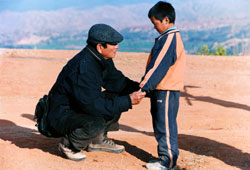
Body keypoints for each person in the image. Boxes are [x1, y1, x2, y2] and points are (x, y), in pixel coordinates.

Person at [46, 23, 146, 161]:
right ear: (100, 47)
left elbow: (118, 83)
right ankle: (69, 145)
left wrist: (146, 90)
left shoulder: (100, 58)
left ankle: (97, 141)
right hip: (60, 115)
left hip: (79, 105)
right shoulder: (84, 68)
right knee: (96, 122)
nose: (117, 46)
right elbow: (93, 106)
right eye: (113, 43)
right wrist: (128, 100)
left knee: (119, 93)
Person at [139, 1, 186, 170]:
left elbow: (159, 66)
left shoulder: (170, 38)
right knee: (160, 123)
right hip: (161, 88)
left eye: (155, 23)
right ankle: (164, 158)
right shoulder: (166, 37)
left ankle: (168, 161)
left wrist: (143, 87)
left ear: (166, 20)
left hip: (167, 89)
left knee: (165, 124)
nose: (154, 27)